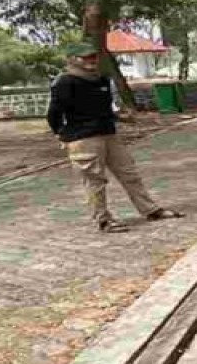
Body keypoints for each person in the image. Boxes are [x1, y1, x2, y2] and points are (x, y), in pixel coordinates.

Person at [46, 41, 184, 233]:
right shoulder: (65, 82)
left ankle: (150, 210)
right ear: (72, 60)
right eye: (85, 57)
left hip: (108, 134)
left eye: (94, 56)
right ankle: (103, 220)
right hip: (83, 138)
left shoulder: (101, 79)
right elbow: (54, 113)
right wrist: (60, 134)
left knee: (130, 174)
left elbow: (104, 108)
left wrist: (121, 117)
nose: (91, 60)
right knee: (94, 181)